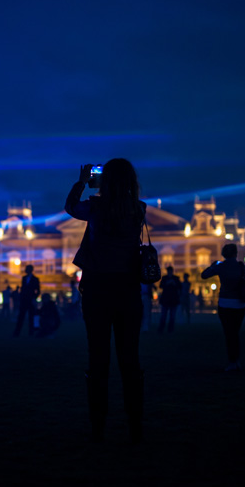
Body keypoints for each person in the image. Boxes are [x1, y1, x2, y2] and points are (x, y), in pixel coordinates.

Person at [65, 159, 146, 444]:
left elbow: (71, 207)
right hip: (128, 289)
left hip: (98, 288)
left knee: (98, 359)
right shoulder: (139, 209)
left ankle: (98, 426)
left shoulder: (95, 208)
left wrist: (83, 180)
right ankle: (135, 426)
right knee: (130, 360)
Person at [202, 244, 245, 371]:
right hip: (239, 304)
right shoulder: (240, 266)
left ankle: (231, 362)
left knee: (229, 334)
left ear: (223, 254)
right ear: (236, 253)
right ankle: (237, 361)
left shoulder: (220, 266)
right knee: (235, 333)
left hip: (225, 303)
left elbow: (204, 275)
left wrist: (213, 265)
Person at [13, 265, 41, 337]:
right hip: (24, 301)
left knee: (30, 317)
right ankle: (18, 332)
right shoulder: (24, 278)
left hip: (30, 301)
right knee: (21, 317)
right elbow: (23, 289)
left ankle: (29, 333)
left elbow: (38, 291)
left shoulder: (35, 279)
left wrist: (33, 298)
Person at [157, 266, 181, 334]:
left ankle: (169, 330)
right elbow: (161, 286)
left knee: (171, 316)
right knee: (164, 315)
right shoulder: (165, 278)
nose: (169, 272)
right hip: (166, 299)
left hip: (172, 300)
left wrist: (173, 284)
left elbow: (179, 286)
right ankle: (162, 329)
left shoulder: (175, 278)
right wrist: (168, 283)